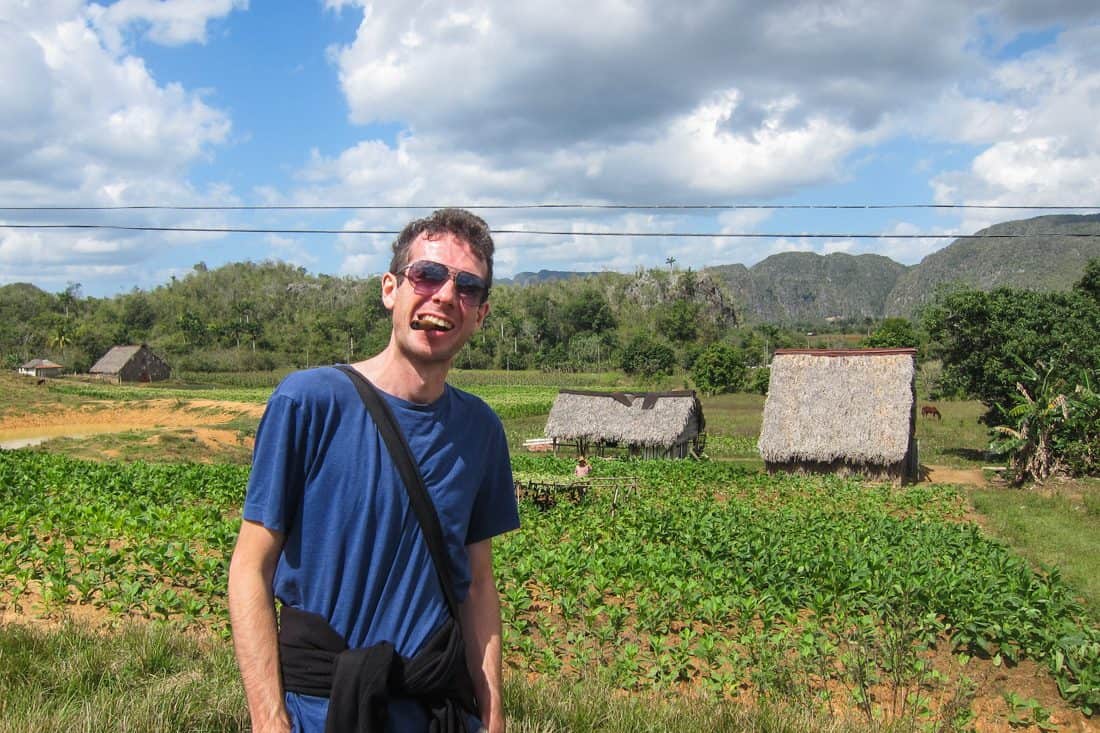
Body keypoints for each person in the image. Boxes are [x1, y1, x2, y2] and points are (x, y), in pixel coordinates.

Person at [228, 208, 520, 733]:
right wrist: (268, 719)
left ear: (480, 314)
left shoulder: (480, 430)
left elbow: (477, 585)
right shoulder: (309, 402)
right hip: (318, 712)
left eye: (467, 286)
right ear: (391, 288)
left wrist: (493, 712)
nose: (445, 297)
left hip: (435, 712)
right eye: (427, 274)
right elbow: (251, 567)